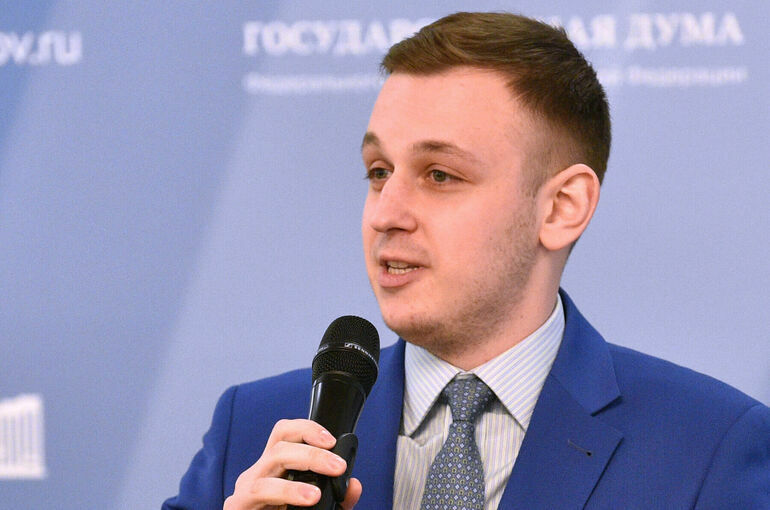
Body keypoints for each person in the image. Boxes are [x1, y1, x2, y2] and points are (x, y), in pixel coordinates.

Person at [164, 12, 770, 509]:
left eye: (440, 175)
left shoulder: (709, 448)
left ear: (562, 207)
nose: (385, 213)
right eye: (379, 171)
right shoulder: (254, 430)